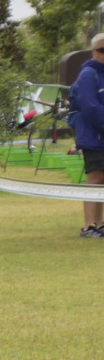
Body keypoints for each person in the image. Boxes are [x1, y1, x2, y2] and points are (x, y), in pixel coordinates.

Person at [73, 33, 104, 238]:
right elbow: (89, 106)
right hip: (94, 135)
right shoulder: (88, 74)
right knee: (94, 177)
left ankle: (100, 225)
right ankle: (88, 226)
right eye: (102, 50)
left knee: (102, 179)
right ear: (94, 52)